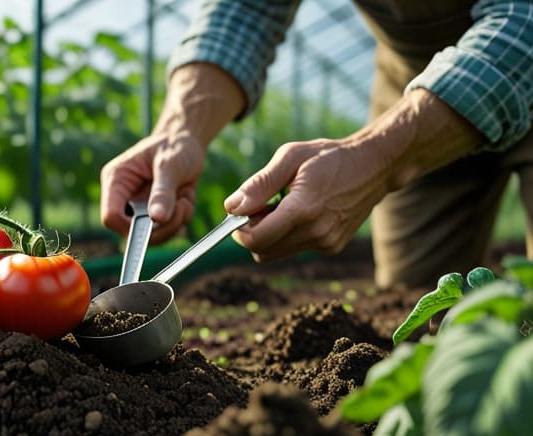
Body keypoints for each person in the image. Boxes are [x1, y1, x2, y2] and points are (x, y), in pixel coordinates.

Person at [100, 0, 533, 289]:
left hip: (519, 48)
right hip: (412, 85)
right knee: (412, 305)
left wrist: (378, 154)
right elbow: (246, 7)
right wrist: (181, 129)